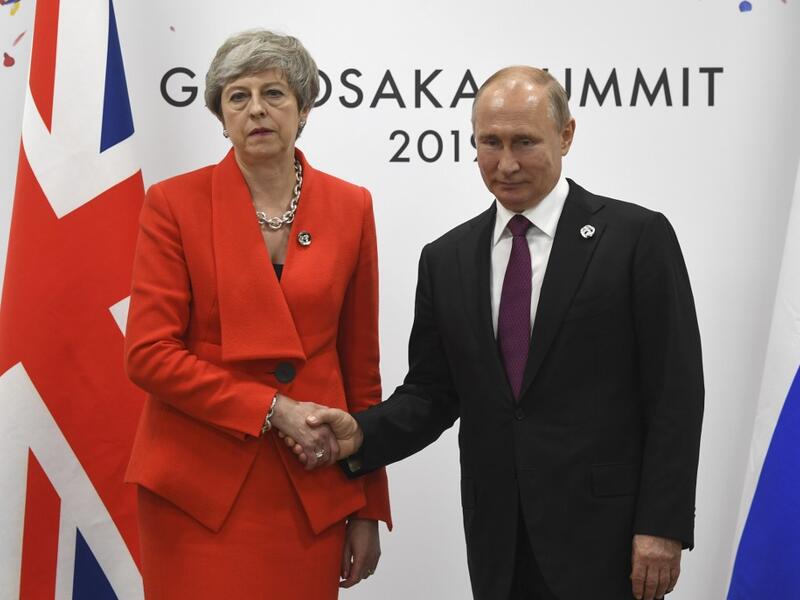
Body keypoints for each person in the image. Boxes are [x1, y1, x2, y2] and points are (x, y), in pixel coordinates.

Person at [287, 66, 704, 600]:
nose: (505, 163)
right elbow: (433, 394)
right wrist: (362, 434)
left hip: (611, 539)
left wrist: (663, 526)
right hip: (498, 542)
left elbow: (676, 393)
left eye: (524, 142)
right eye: (490, 142)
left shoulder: (636, 238)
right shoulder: (447, 258)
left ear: (567, 135)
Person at [124, 29, 390, 599]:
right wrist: (272, 408)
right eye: (237, 97)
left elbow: (360, 368)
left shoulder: (352, 205)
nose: (256, 110)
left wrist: (368, 503)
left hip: (309, 483)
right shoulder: (173, 203)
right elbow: (148, 355)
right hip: (195, 486)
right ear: (221, 116)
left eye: (274, 93)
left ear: (303, 108)